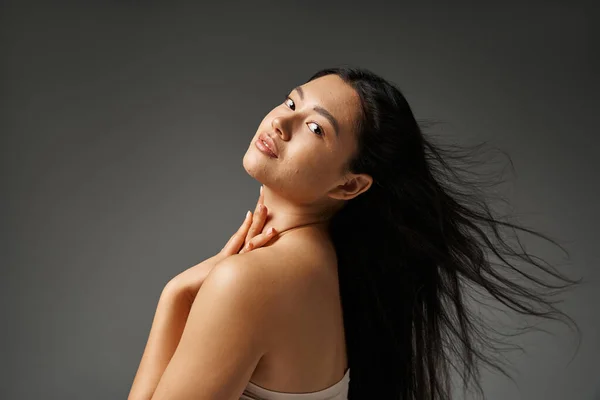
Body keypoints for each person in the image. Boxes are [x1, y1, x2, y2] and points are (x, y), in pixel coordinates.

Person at [128, 66, 582, 400]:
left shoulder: (249, 280)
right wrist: (180, 293)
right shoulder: (321, 268)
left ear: (349, 184)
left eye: (314, 127)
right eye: (291, 102)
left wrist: (175, 295)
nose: (279, 122)